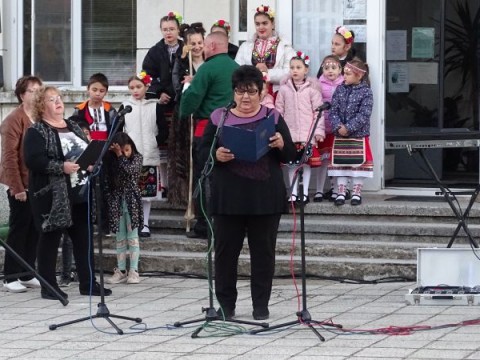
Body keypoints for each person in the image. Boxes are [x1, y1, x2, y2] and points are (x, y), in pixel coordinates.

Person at [200, 65, 295, 320]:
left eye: (251, 92)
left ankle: (260, 306)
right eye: (241, 92)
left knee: (263, 254)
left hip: (264, 199)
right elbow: (200, 155)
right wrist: (215, 155)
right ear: (233, 92)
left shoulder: (272, 118)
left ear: (261, 92)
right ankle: (226, 306)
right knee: (225, 255)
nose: (245, 97)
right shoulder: (218, 118)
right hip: (228, 199)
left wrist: (281, 144)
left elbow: (291, 156)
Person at [23, 86, 112, 300]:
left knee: (84, 240)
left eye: (59, 98)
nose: (58, 102)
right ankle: (49, 286)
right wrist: (61, 167)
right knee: (50, 240)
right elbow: (33, 160)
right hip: (53, 196)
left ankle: (88, 283)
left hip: (80, 192)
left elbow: (83, 151)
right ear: (41, 106)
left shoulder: (73, 126)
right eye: (51, 99)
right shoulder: (37, 131)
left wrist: (90, 163)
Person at [179, 31, 239, 239]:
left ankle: (206, 224)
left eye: (205, 45)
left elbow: (191, 101)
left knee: (205, 176)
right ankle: (231, 222)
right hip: (234, 129)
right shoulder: (236, 68)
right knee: (231, 176)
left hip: (207, 130)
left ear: (212, 46)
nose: (203, 49)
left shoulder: (207, 68)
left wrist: (187, 88)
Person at [0, 75, 42, 293]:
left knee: (35, 228)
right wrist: (17, 188)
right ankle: (11, 275)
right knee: (19, 227)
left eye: (38, 90)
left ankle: (27, 271)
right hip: (19, 182)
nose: (36, 95)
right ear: (21, 95)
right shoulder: (13, 120)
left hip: (37, 182)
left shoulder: (39, 116)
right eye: (31, 91)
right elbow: (9, 158)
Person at [142, 11, 184, 199]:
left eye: (172, 29)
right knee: (164, 145)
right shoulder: (154, 51)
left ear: (178, 30)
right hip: (162, 105)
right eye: (165, 29)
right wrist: (160, 92)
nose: (169, 33)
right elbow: (147, 75)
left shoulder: (186, 49)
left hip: (182, 103)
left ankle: (182, 185)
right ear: (161, 31)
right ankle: (165, 184)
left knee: (180, 145)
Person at [121, 72, 168, 238]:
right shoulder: (125, 106)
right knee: (131, 191)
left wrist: (154, 141)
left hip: (149, 154)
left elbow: (163, 129)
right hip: (130, 157)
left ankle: (145, 224)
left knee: (146, 194)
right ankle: (133, 222)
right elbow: (120, 130)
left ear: (146, 86)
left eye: (138, 86)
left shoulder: (155, 106)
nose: (135, 90)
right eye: (132, 87)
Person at [275, 52, 325, 204]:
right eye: (292, 67)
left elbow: (319, 112)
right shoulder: (283, 90)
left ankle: (304, 192)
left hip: (306, 134)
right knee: (292, 165)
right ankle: (294, 192)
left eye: (298, 67)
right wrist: (279, 131)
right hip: (290, 134)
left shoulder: (312, 90)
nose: (294, 70)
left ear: (306, 70)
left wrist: (318, 131)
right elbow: (278, 112)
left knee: (305, 164)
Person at [169, 22, 206, 207]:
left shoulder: (209, 62)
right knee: (186, 155)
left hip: (204, 114)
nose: (197, 47)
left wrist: (198, 80)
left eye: (200, 43)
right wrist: (188, 83)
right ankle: (186, 199)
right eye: (193, 44)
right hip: (186, 115)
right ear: (186, 44)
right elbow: (176, 88)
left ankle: (202, 198)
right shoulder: (182, 62)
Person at [328, 58, 374, 206]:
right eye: (344, 73)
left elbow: (364, 114)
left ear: (358, 76)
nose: (344, 76)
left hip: (358, 136)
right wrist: (338, 126)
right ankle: (341, 192)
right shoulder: (339, 89)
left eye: (348, 74)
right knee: (341, 165)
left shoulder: (366, 92)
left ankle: (356, 193)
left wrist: (348, 128)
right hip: (340, 135)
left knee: (357, 166)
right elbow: (333, 110)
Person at [104, 132, 143, 284]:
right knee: (120, 238)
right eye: (121, 150)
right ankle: (121, 270)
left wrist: (120, 156)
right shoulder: (111, 162)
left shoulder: (137, 158)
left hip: (131, 201)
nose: (126, 153)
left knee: (132, 237)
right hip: (117, 201)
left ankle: (134, 270)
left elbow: (130, 172)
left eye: (128, 150)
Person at [235, 5, 296, 92]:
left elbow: (290, 72)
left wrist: (267, 72)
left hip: (277, 93)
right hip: (249, 92)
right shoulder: (245, 46)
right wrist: (254, 72)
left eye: (265, 23)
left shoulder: (285, 46)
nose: (261, 27)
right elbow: (237, 70)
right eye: (257, 24)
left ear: (273, 24)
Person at [314, 55, 344, 203]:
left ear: (340, 69)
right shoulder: (317, 84)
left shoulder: (344, 84)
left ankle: (336, 190)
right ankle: (319, 190)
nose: (330, 71)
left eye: (333, 67)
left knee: (336, 161)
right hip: (323, 129)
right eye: (326, 68)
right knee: (322, 161)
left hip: (337, 130)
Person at [69, 73, 118, 140]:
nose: (97, 94)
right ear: (88, 89)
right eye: (94, 90)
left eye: (102, 91)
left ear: (106, 92)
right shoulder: (80, 109)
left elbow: (116, 131)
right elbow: (74, 129)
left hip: (106, 146)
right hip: (86, 145)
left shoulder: (110, 110)